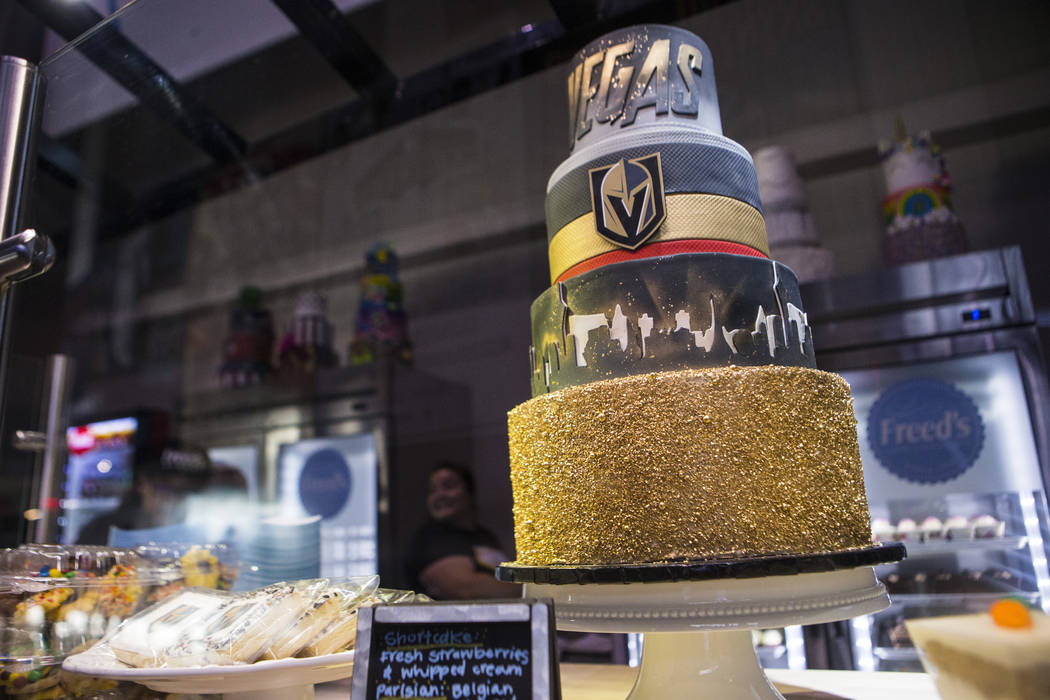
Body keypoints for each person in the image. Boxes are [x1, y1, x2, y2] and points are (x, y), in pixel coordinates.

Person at [405, 462, 521, 600]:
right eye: (432, 490)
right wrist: (528, 588)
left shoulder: (486, 536)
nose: (439, 495)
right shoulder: (429, 539)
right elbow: (466, 588)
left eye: (449, 486)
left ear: (469, 492)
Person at [77, 442, 212, 545]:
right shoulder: (102, 531)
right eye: (164, 488)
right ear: (141, 484)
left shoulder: (193, 539)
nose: (172, 500)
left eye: (183, 491)